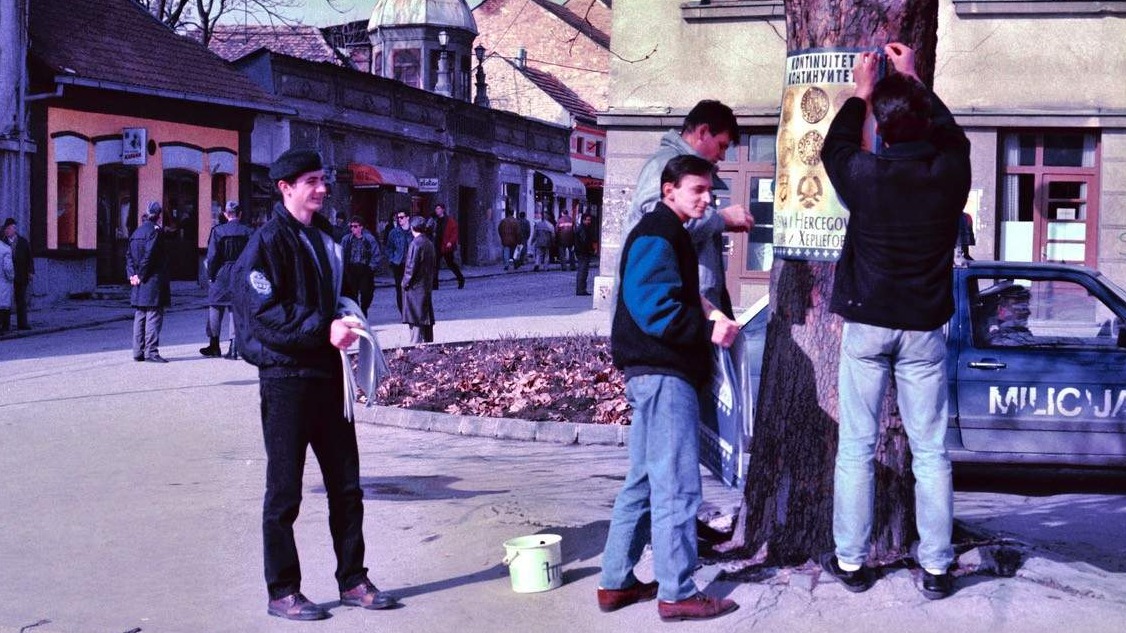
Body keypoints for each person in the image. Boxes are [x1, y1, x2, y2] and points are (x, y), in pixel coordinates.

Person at [818, 43, 971, 601]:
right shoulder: (949, 175)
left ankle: (851, 563)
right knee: (930, 450)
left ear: (881, 127)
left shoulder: (864, 175)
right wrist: (913, 79)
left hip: (868, 321)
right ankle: (935, 567)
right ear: (925, 121)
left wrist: (862, 93)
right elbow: (956, 137)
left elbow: (833, 146)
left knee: (855, 446)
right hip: (924, 327)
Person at [231, 148, 398, 620]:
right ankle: (282, 589)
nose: (322, 189)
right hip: (286, 379)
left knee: (346, 486)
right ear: (285, 188)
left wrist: (348, 312)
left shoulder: (326, 237)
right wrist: (322, 328)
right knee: (285, 491)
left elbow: (338, 291)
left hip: (328, 376)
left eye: (323, 180)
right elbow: (264, 314)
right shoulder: (265, 244)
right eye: (312, 181)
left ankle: (353, 580)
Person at [599, 155, 741, 623]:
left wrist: (706, 309)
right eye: (697, 190)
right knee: (677, 484)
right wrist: (707, 332)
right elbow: (653, 309)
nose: (707, 198)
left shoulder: (667, 232)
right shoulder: (659, 233)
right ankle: (678, 591)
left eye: (709, 191)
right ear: (669, 191)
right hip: (664, 375)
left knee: (642, 479)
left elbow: (669, 294)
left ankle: (616, 582)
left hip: (652, 373)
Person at [625, 100, 754, 318]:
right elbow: (658, 224)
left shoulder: (684, 166)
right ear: (703, 131)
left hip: (689, 302)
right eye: (722, 145)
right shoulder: (664, 165)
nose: (723, 155)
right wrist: (722, 219)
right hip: (674, 308)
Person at [200, 201, 254, 359]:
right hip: (240, 273)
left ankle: (214, 344)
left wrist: (211, 275)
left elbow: (212, 257)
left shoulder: (218, 231)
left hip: (221, 272)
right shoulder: (248, 231)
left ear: (225, 214)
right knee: (235, 309)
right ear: (240, 214)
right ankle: (234, 347)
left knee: (215, 306)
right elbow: (253, 255)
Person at [125, 202, 171, 363]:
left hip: (139, 281)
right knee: (153, 314)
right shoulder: (155, 232)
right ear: (158, 215)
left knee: (140, 314)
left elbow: (129, 256)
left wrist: (133, 275)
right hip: (152, 279)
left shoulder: (136, 232)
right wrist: (141, 275)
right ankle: (151, 351)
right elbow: (149, 256)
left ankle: (138, 351)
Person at [402, 215, 436, 344]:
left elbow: (411, 266)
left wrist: (405, 283)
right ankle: (428, 344)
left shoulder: (415, 244)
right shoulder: (429, 243)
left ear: (412, 228)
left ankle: (415, 346)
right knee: (425, 317)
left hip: (415, 287)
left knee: (415, 319)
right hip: (425, 285)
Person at [341, 216, 383, 317]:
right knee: (352, 293)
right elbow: (341, 253)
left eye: (355, 226)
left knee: (366, 293)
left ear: (361, 227)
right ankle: (356, 312)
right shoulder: (347, 239)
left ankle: (364, 308)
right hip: (351, 269)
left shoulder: (369, 239)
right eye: (351, 226)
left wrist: (371, 268)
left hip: (365, 269)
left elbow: (376, 254)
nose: (353, 229)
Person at [3, 218, 33, 330]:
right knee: (6, 301)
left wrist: (30, 271)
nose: (7, 231)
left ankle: (22, 323)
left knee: (21, 299)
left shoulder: (23, 242)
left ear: (14, 229)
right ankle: (5, 325)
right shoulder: (2, 242)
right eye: (6, 228)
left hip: (21, 274)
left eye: (9, 228)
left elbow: (29, 258)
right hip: (6, 276)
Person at [431, 203, 465, 290]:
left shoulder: (449, 221)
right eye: (436, 209)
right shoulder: (434, 220)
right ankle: (435, 284)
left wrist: (450, 242)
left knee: (450, 264)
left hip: (446, 246)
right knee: (435, 265)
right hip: (437, 245)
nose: (437, 210)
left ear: (443, 210)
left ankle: (460, 278)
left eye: (438, 208)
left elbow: (454, 233)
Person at [385, 210, 412, 313]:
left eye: (402, 217)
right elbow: (389, 248)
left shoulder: (413, 231)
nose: (399, 219)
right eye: (398, 218)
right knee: (400, 289)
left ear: (408, 217)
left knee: (411, 289)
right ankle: (403, 312)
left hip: (411, 264)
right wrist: (392, 259)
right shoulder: (394, 232)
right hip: (398, 264)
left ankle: (411, 311)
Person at [574, 212, 596, 296]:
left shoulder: (582, 228)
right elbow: (585, 242)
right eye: (587, 220)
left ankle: (581, 289)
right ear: (583, 220)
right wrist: (590, 250)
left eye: (590, 220)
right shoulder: (583, 229)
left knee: (582, 271)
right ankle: (581, 289)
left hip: (581, 252)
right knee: (583, 271)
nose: (589, 222)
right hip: (583, 253)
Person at [0, 233, 12, 334]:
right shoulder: (5, 249)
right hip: (3, 281)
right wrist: (12, 277)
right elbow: (8, 268)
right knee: (4, 304)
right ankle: (4, 327)